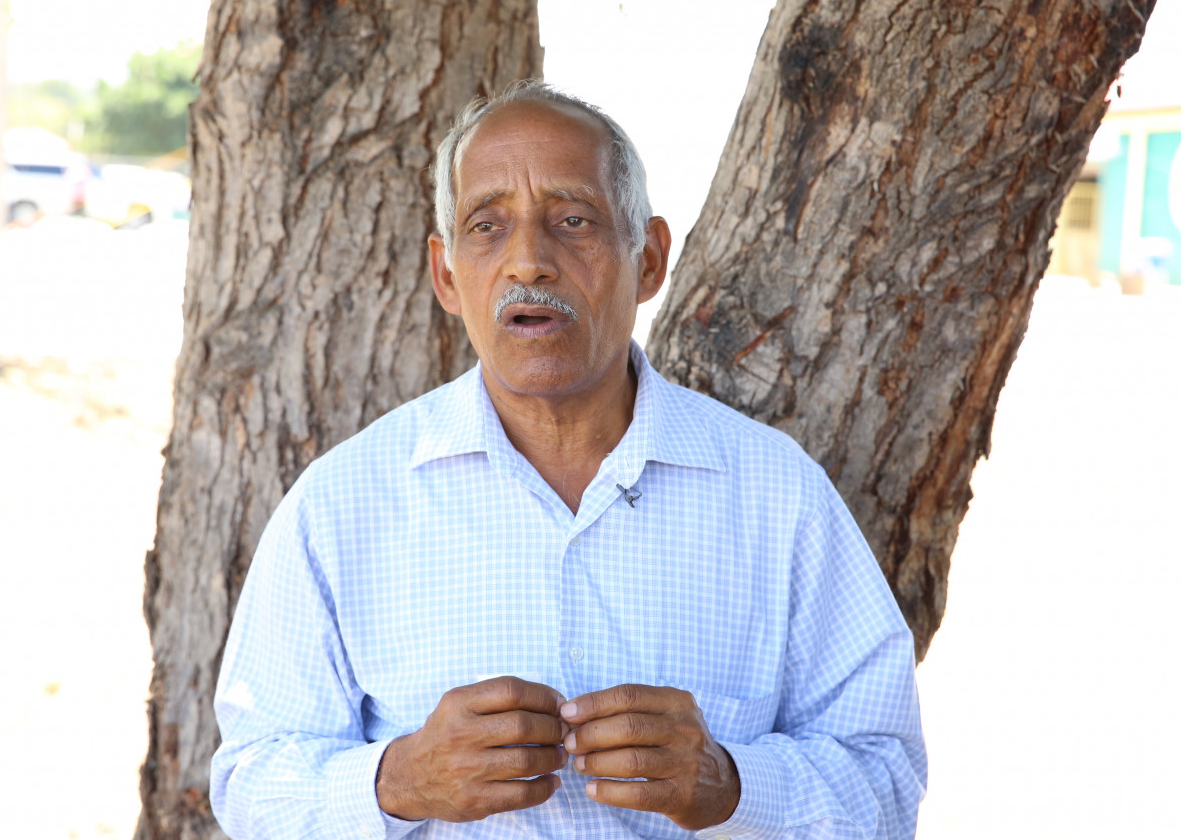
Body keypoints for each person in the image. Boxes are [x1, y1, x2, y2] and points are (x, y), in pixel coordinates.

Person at [210, 81, 927, 839]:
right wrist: (399, 780)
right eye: (488, 226)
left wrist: (732, 784)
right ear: (447, 274)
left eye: (573, 220)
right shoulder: (342, 504)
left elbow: (885, 780)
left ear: (649, 259)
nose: (529, 261)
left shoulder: (778, 495)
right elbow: (251, 781)